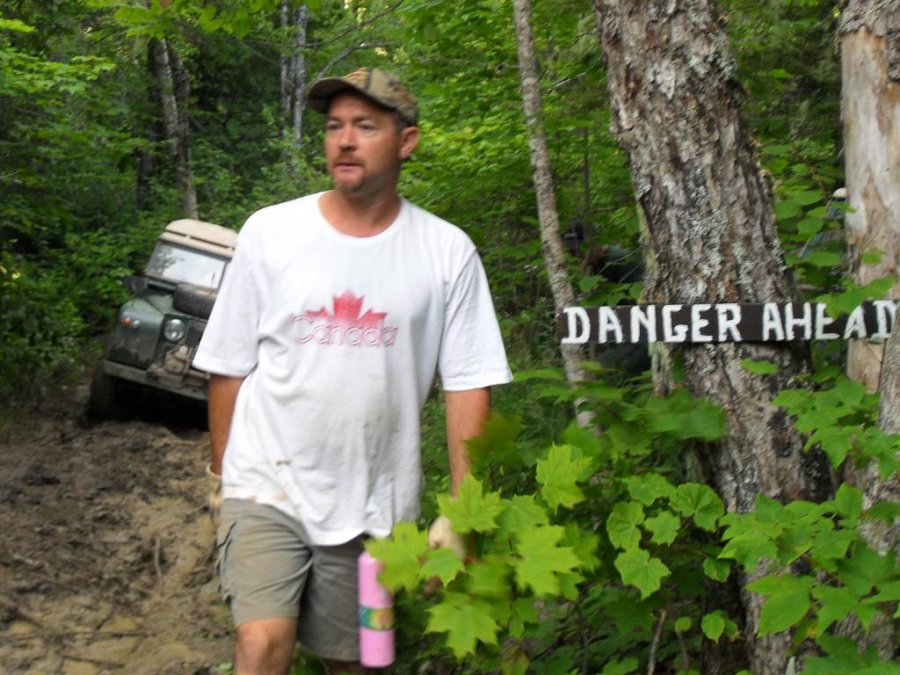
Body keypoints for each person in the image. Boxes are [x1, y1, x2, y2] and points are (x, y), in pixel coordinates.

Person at [194, 67, 512, 675]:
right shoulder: (270, 233)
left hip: (376, 506)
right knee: (260, 643)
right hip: (265, 485)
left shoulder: (446, 251)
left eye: (365, 126)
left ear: (406, 141)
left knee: (360, 663)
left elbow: (469, 384)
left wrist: (462, 510)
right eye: (334, 126)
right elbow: (227, 366)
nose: (344, 140)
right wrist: (220, 476)